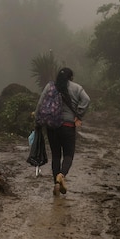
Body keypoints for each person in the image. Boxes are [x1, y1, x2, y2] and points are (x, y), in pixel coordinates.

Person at [35, 67, 90, 196]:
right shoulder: (77, 88)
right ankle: (62, 175)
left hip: (52, 126)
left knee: (55, 155)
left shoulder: (50, 87)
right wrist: (79, 115)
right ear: (71, 77)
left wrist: (37, 122)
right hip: (68, 126)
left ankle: (56, 183)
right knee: (68, 154)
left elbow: (40, 104)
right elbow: (86, 100)